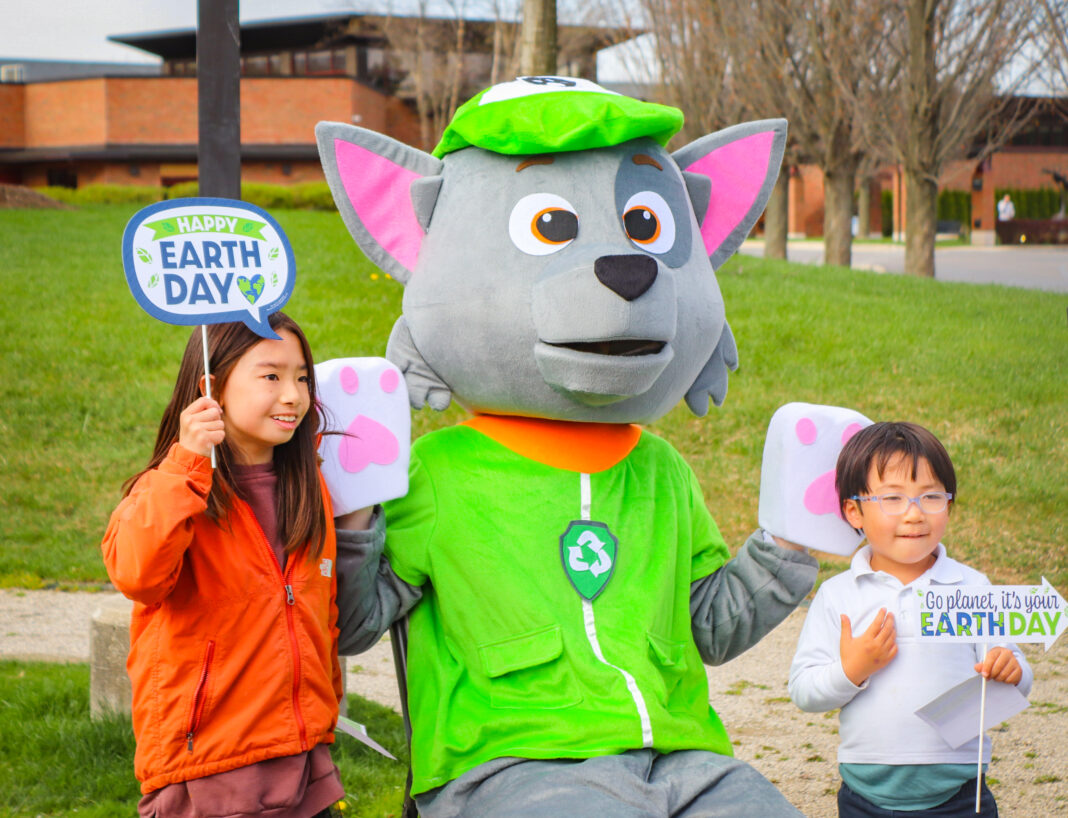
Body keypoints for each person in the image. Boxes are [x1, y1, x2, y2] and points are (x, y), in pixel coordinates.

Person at [102, 312, 386, 818]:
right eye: (271, 376)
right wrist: (189, 462)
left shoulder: (307, 487)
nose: (293, 395)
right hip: (209, 769)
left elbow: (320, 611)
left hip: (302, 760)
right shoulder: (171, 488)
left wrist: (323, 707)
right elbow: (136, 575)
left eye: (302, 377)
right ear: (213, 386)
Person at [789, 421, 1032, 817]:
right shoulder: (838, 596)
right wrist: (853, 669)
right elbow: (803, 690)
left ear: (949, 504)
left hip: (960, 794)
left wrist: (1013, 670)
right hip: (866, 796)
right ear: (854, 511)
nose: (915, 514)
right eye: (893, 499)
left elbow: (1019, 677)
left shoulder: (970, 586)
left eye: (931, 496)